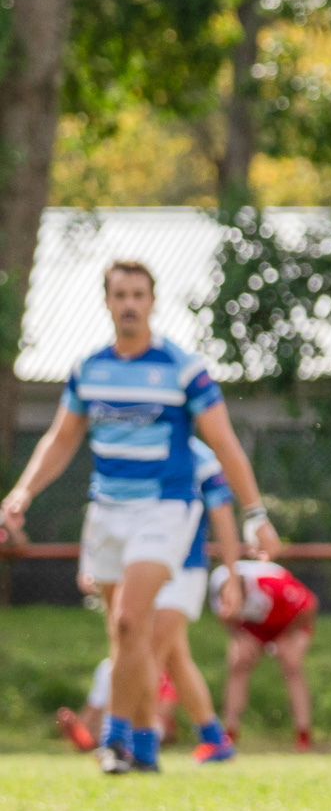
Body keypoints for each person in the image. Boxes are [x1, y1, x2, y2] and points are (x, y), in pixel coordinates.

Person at [2, 259, 279, 775]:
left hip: (164, 509)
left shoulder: (182, 368)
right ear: (107, 302)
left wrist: (255, 513)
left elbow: (224, 442)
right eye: (120, 295)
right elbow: (62, 440)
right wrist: (21, 493)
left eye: (138, 295)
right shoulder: (89, 369)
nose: (129, 304)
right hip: (106, 512)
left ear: (152, 301)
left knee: (135, 622)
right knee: (124, 635)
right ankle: (145, 738)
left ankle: (117, 739)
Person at [154, 437, 242, 763]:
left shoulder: (201, 458)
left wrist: (232, 576)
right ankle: (214, 739)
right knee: (174, 657)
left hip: (183, 570)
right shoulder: (142, 446)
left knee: (149, 649)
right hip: (141, 568)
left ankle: (133, 739)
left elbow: (223, 517)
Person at [212, 559, 318, 749]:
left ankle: (303, 735)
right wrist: (239, 636)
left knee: (292, 665)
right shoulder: (218, 586)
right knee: (238, 663)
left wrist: (288, 636)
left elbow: (309, 605)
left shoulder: (273, 584)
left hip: (290, 621)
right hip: (254, 627)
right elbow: (224, 617)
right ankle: (229, 734)